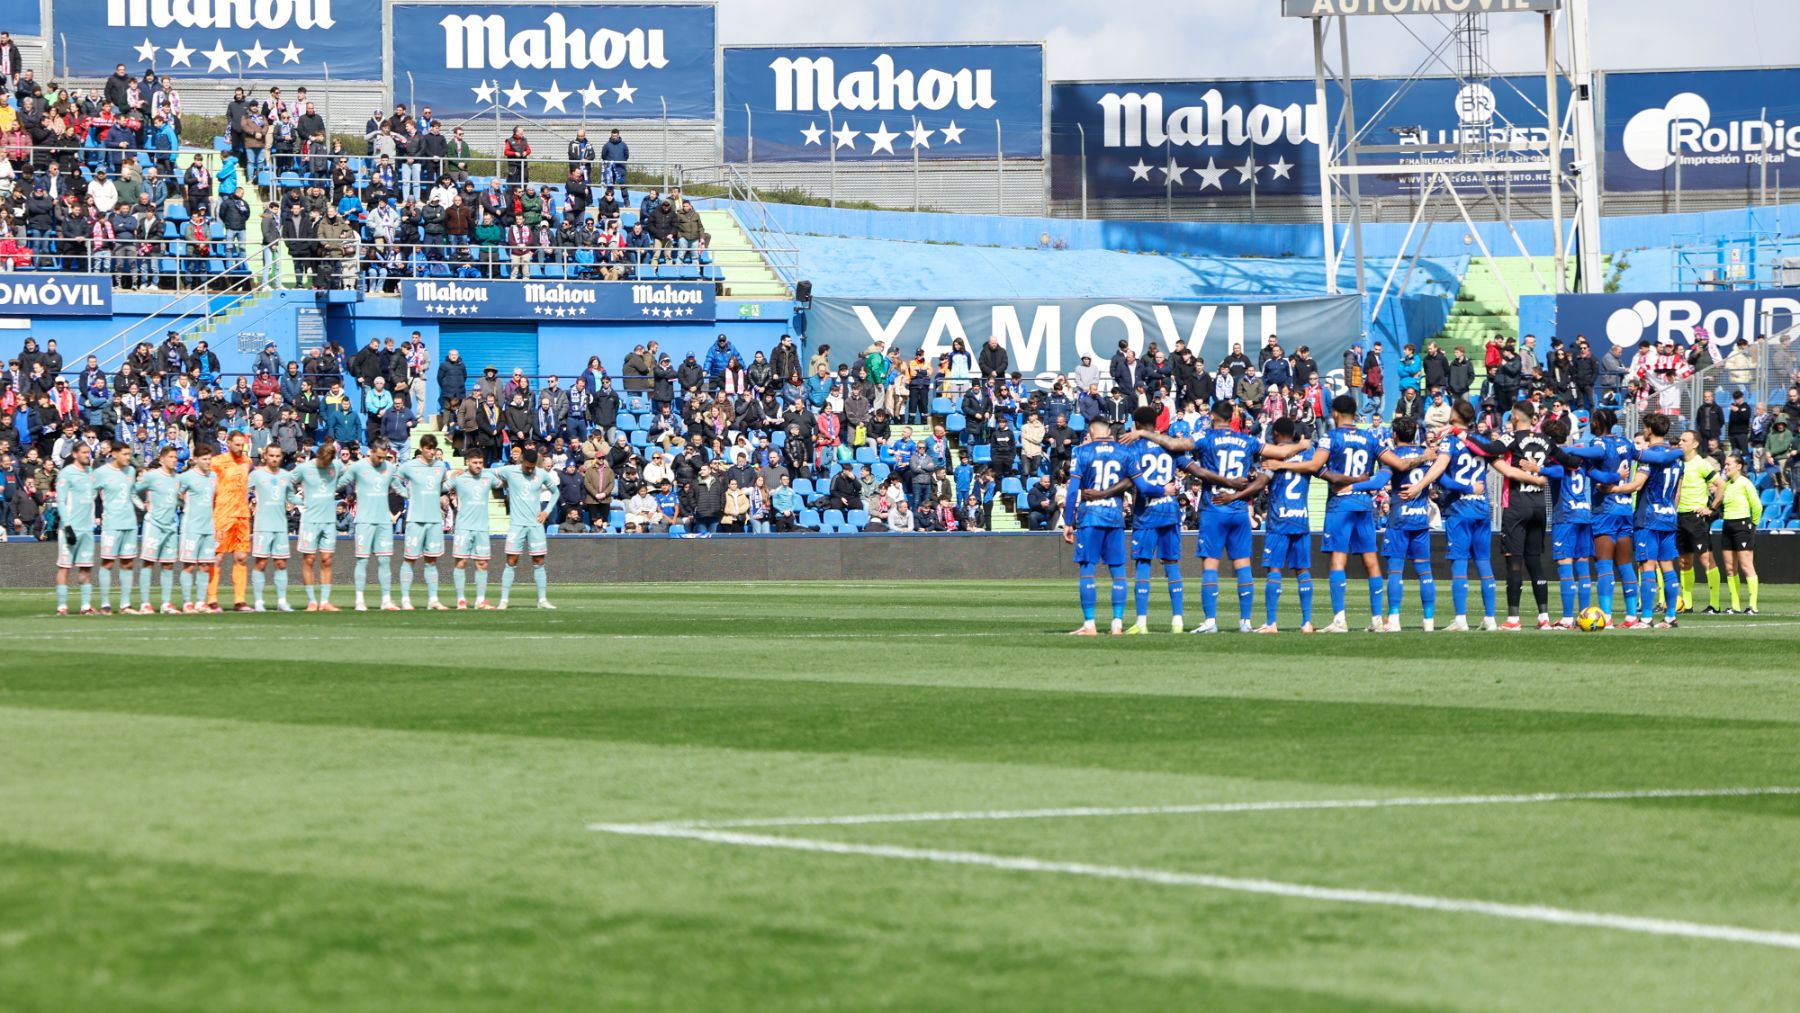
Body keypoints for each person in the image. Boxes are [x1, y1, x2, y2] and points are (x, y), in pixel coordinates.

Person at [1124, 401, 1301, 634]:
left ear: (1214, 417)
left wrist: (1143, 433)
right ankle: (1245, 622)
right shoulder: (1248, 440)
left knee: (1210, 564)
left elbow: (1175, 443)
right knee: (1242, 564)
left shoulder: (1205, 437)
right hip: (1239, 508)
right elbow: (1280, 451)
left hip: (1214, 507)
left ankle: (1210, 622)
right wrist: (1305, 443)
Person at [1293, 396, 1427, 633]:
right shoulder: (1370, 437)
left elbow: (1315, 466)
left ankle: (1339, 621)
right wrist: (1424, 457)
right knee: (1371, 561)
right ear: (1355, 413)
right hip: (1364, 504)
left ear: (1335, 413)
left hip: (1340, 504)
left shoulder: (1330, 437)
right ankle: (1377, 619)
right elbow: (1400, 464)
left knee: (1338, 559)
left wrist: (1332, 476)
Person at [1403, 401, 1497, 632]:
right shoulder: (1481, 441)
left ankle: (1461, 619)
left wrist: (1421, 485)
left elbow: (1442, 476)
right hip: (1482, 509)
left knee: (1460, 564)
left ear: (1455, 417)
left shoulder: (1451, 441)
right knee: (1484, 563)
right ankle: (1491, 618)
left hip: (1460, 510)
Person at [1466, 401, 1555, 630]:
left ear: (1515, 417)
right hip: (1539, 506)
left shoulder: (1513, 437)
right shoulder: (1545, 440)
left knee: (1514, 562)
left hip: (1516, 505)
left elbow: (1488, 449)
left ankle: (1514, 619)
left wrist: (1463, 436)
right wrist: (1540, 476)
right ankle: (1544, 617)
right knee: (1535, 562)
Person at [1535, 415, 1611, 630]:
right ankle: (1583, 615)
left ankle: (1568, 619)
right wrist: (1616, 476)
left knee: (1565, 564)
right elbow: (1602, 477)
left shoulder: (1555, 457)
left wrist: (1539, 469)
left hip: (1565, 516)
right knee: (1582, 564)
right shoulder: (1579, 456)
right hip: (1584, 513)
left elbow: (1558, 472)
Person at [1614, 414, 1687, 629]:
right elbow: (1677, 493)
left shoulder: (1649, 456)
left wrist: (1613, 488)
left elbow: (1636, 485)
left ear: (1648, 430)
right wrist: (1671, 512)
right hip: (1669, 516)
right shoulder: (1676, 457)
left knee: (1647, 566)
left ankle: (1646, 618)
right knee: (1667, 566)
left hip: (1648, 517)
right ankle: (1671, 616)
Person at [1061, 419, 1131, 635]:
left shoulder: (1081, 452)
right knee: (1118, 571)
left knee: (1087, 570)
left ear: (1090, 433)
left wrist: (1068, 521)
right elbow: (1131, 481)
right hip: (1114, 516)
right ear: (1109, 432)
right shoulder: (1124, 452)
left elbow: (1073, 490)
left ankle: (1090, 624)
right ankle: (1117, 624)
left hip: (1090, 516)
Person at [1380, 417, 1438, 633]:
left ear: (1395, 435)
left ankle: (1394, 620)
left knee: (1395, 571)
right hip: (1421, 519)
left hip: (1399, 520)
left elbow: (1380, 481)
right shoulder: (1427, 456)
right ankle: (1429, 621)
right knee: (1425, 571)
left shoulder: (1392, 456)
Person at [1257, 418, 1316, 633]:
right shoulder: (1308, 454)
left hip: (1278, 518)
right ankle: (1307, 622)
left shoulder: (1271, 454)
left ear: (1275, 434)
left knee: (1274, 569)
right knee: (1303, 570)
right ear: (1294, 434)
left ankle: (1271, 622)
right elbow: (1316, 466)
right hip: (1301, 517)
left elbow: (1265, 477)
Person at [1587, 408, 1639, 627]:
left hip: (1605, 509)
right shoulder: (1627, 442)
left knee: (1604, 564)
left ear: (1599, 423)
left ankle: (1606, 617)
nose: (1590, 423)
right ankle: (1631, 616)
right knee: (1625, 563)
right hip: (1625, 507)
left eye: (1592, 420)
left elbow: (1593, 463)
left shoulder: (1597, 444)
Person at [337, 440, 400, 612]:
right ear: (371, 451)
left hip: (384, 521)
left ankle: (386, 600)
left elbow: (398, 486)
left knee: (385, 560)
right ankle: (359, 600)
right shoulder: (358, 467)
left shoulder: (389, 467)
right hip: (364, 520)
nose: (381, 460)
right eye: (378, 456)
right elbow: (342, 482)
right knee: (362, 560)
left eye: (384, 457)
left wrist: (411, 493)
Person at [494, 446, 558, 609]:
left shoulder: (541, 474)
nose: (529, 470)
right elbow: (489, 472)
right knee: (511, 560)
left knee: (539, 560)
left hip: (535, 524)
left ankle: (542, 600)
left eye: (532, 467)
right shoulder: (510, 471)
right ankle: (504, 600)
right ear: (521, 461)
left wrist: (546, 511)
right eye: (527, 467)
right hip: (516, 524)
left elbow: (555, 492)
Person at [393, 433, 450, 610]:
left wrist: (451, 484)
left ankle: (433, 600)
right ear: (422, 448)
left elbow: (441, 487)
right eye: (428, 449)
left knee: (431, 560)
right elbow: (395, 478)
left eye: (433, 449)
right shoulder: (410, 466)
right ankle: (405, 599)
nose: (431, 452)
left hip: (434, 519)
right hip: (415, 520)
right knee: (410, 559)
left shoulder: (440, 467)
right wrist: (405, 493)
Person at [1673, 429, 1725, 615]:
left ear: (1694, 444)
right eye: (1680, 439)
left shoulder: (1701, 464)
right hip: (1679, 517)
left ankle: (1715, 604)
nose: (1680, 443)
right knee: (1684, 561)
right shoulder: (1678, 464)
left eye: (1684, 440)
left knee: (1706, 559)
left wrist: (1712, 509)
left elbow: (1721, 485)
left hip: (1696, 518)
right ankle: (1687, 604)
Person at [291, 438, 343, 611]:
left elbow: (350, 473)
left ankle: (325, 601)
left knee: (327, 560)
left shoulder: (336, 466)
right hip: (310, 521)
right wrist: (295, 499)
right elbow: (288, 481)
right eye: (323, 461)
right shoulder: (305, 468)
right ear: (318, 456)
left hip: (329, 520)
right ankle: (312, 601)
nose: (325, 465)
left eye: (328, 462)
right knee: (309, 559)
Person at [133, 443, 184, 614]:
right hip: (153, 524)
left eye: (176, 457)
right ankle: (145, 603)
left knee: (168, 565)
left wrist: (182, 502)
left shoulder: (177, 478)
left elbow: (176, 499)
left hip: (170, 526)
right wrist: (142, 506)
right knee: (148, 563)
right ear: (162, 459)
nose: (174, 460)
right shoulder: (152, 476)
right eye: (171, 457)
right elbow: (133, 491)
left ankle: (166, 603)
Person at [208, 431, 254, 611]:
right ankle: (212, 600)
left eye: (242, 444)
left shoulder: (247, 462)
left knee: (241, 558)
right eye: (236, 444)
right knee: (217, 558)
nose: (239, 448)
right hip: (222, 514)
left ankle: (240, 601)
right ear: (228, 443)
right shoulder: (217, 462)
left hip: (242, 515)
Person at [93, 441, 141, 614]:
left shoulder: (131, 471)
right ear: (114, 454)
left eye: (130, 454)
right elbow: (90, 494)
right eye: (125, 454)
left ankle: (125, 605)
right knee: (107, 563)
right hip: (111, 524)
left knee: (128, 563)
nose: (129, 458)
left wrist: (144, 507)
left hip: (130, 523)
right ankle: (105, 604)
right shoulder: (100, 473)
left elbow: (133, 493)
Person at [53, 442, 99, 616]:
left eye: (89, 452)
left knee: (85, 567)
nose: (88, 455)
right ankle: (62, 607)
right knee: (64, 567)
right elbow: (61, 501)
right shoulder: (66, 474)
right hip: (70, 529)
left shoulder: (90, 473)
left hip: (87, 529)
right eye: (84, 452)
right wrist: (68, 526)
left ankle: (86, 606)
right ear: (75, 454)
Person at [248, 444, 296, 612]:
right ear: (265, 457)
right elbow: (241, 492)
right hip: (263, 526)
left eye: (277, 456)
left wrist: (304, 502)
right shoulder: (256, 475)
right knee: (260, 563)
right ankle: (259, 601)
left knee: (281, 563)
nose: (275, 458)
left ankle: (281, 601)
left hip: (280, 526)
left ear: (281, 457)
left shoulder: (286, 476)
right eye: (272, 455)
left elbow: (291, 496)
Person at [449, 454, 498, 608]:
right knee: (461, 562)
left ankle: (480, 600)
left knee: (482, 563)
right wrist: (448, 475)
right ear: (467, 462)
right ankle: (461, 599)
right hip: (463, 527)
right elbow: (440, 487)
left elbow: (504, 482)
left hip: (482, 528)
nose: (478, 465)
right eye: (475, 462)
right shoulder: (459, 478)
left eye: (481, 462)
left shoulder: (488, 478)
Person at [177, 444, 220, 613]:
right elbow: (177, 494)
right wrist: (185, 505)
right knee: (189, 565)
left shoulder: (213, 477)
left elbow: (213, 498)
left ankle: (201, 602)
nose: (208, 462)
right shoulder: (187, 477)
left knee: (205, 565)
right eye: (204, 459)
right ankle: (188, 602)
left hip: (208, 527)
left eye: (209, 459)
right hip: (191, 527)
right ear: (195, 460)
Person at [1717, 453, 1761, 615]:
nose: (1726, 467)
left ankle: (1753, 606)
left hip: (1742, 525)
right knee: (1730, 568)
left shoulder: (1745, 483)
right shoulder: (1727, 485)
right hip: (1728, 525)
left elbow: (1757, 506)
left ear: (1739, 466)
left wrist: (1753, 525)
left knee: (1746, 566)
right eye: (1725, 464)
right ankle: (1735, 605)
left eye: (1729, 464)